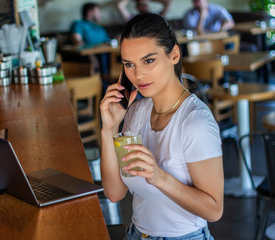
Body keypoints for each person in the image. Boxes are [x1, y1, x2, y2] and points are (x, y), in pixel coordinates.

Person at [100, 13, 223, 239]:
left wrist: (159, 177)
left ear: (174, 54)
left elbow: (214, 210)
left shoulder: (195, 122)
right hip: (137, 234)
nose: (138, 74)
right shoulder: (135, 113)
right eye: (129, 64)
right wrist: (109, 129)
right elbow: (114, 193)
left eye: (148, 61)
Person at [69, 3, 110, 82]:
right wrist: (90, 55)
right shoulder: (78, 24)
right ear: (90, 12)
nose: (100, 15)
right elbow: (77, 41)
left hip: (108, 55)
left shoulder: (100, 28)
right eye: (98, 12)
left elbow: (108, 42)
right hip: (91, 57)